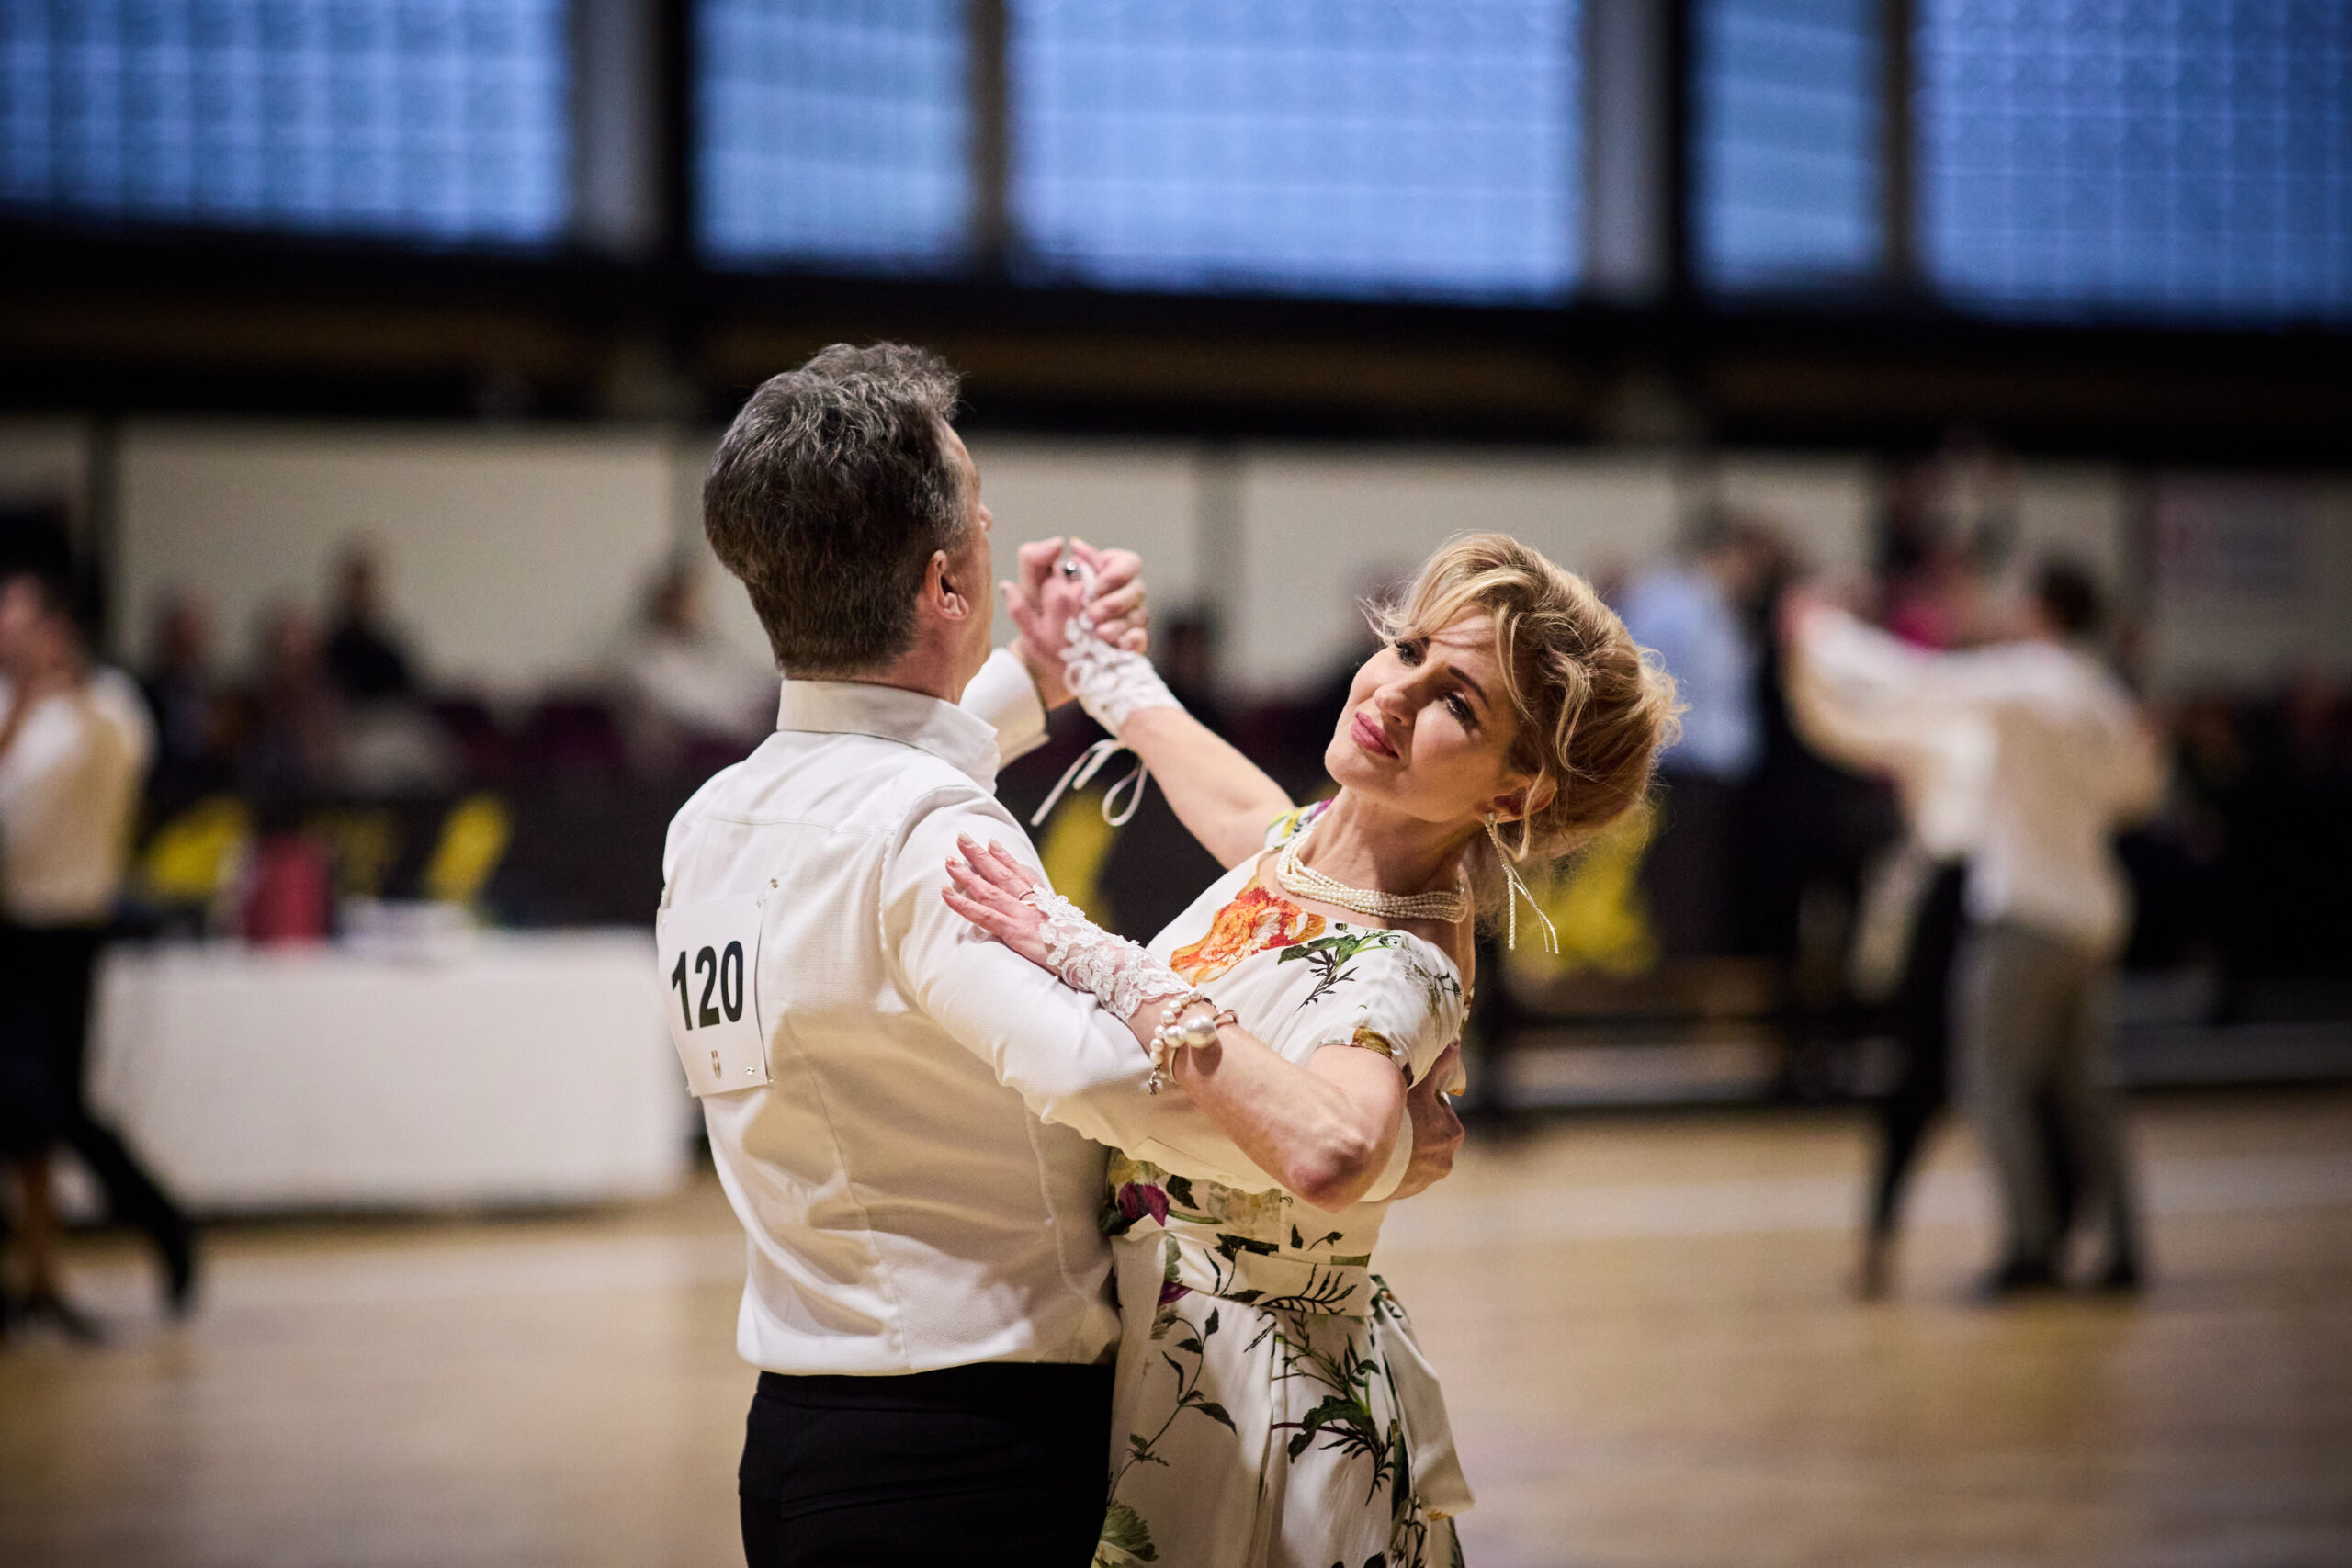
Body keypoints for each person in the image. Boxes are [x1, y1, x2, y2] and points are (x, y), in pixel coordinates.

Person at [664, 344, 1466, 1568]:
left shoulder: (714, 819)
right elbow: (1106, 1080)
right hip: (967, 1455)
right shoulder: (926, 830)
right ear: (944, 582)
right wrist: (1357, 1141)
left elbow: (882, 775)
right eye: (980, 511)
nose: (994, 529)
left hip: (793, 1434)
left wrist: (1047, 670)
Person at [947, 531, 1678, 1565]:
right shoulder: (1326, 843)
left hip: (1244, 1406)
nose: (1393, 693)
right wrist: (1101, 664)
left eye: (1458, 703)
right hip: (1168, 1358)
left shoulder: (1398, 964)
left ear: (1516, 793)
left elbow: (1334, 1148)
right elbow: (1244, 809)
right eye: (1409, 649)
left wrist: (1088, 953)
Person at [1786, 562, 2165, 1296]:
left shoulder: (2025, 679)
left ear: (2043, 610)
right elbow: (2140, 788)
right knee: (2085, 1091)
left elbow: (1911, 676)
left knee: (1993, 1084)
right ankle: (2121, 1246)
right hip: (2093, 914)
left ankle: (2032, 1247)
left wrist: (1819, 629)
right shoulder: (2103, 695)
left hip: (2025, 911)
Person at [1783, 575, 1995, 1297]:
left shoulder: (2018, 704)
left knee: (2028, 1084)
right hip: (1952, 900)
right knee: (1919, 1076)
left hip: (2010, 905)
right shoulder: (1936, 711)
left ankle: (2050, 1241)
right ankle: (1878, 1240)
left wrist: (1818, 631)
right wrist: (1804, 652)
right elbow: (1834, 725)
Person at [0, 559, 196, 1335]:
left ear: (56, 627)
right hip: (9, 929)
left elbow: (121, 763)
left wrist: (65, 696)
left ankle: (162, 1227)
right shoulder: (10, 708)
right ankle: (37, 1271)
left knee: (59, 1108)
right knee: (25, 1110)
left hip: (67, 931)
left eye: (17, 615)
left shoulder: (106, 705)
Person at [1615, 513, 1776, 957]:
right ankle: (1673, 977)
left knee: (1698, 892)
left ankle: (1687, 969)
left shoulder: (1714, 606)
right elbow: (1641, 682)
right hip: (1681, 768)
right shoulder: (1671, 604)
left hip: (1707, 775)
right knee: (1678, 892)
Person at [322, 547, 416, 703]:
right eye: (353, 588)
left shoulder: (388, 656)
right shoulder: (323, 653)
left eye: (363, 588)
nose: (358, 597)